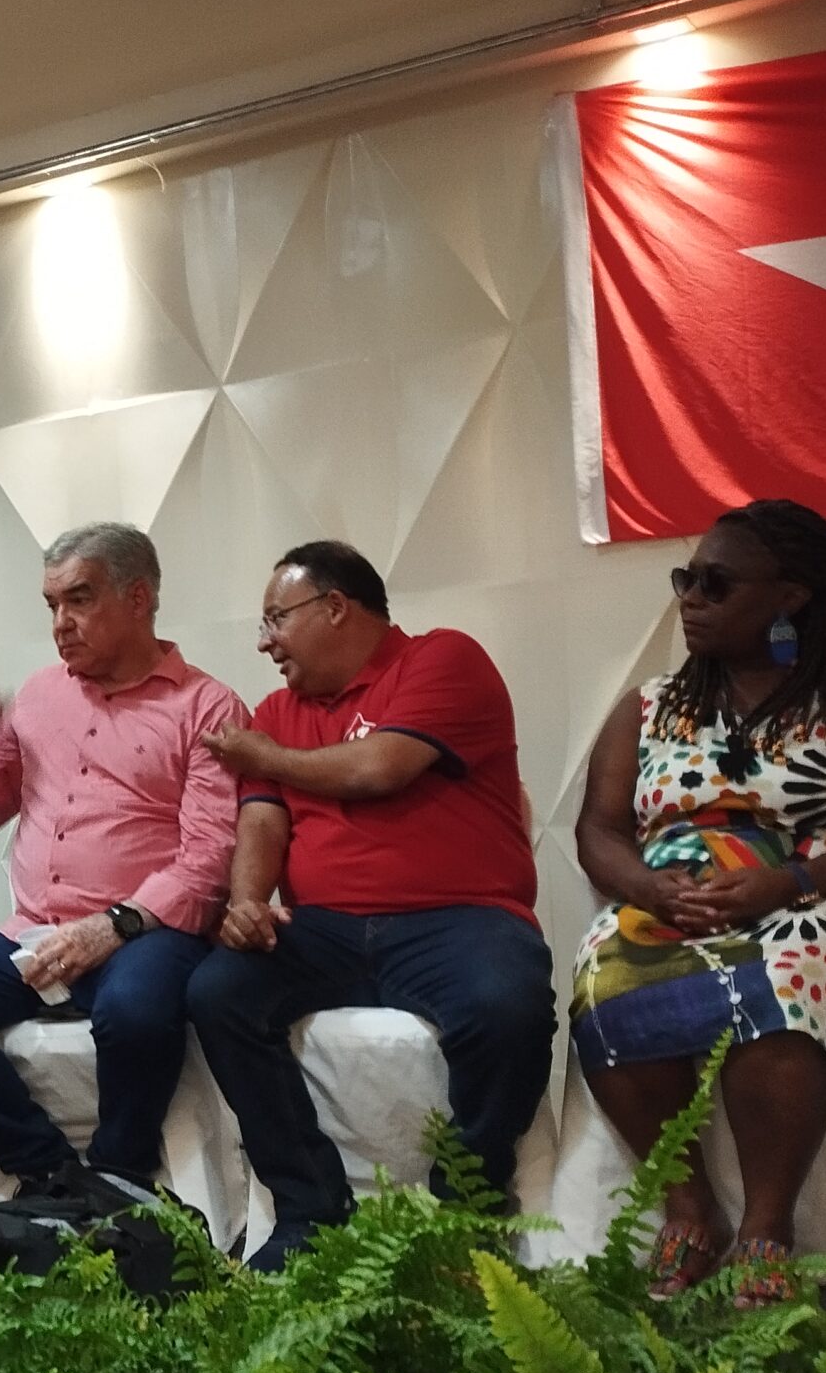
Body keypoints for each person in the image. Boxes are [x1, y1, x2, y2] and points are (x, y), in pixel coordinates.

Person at [570, 500, 826, 1305]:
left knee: (786, 975)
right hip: (676, 901)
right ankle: (689, 1210)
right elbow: (599, 829)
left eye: (716, 583)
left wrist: (789, 885)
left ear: (789, 597)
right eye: (686, 579)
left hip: (824, 896)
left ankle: (767, 1228)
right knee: (605, 980)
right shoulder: (650, 706)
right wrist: (648, 888)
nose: (691, 599)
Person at [190, 540, 554, 1270]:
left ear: (335, 606)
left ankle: (468, 1218)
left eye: (276, 619)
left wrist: (263, 755)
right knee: (218, 991)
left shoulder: (442, 658)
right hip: (324, 928)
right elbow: (262, 820)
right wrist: (249, 902)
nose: (264, 643)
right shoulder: (276, 711)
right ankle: (308, 1211)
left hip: (460, 917)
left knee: (508, 1008)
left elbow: (380, 766)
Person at [0, 524, 244, 1209]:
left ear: (138, 598)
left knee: (135, 1013)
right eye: (52, 604)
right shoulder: (39, 694)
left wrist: (113, 926)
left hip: (147, 930)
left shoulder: (208, 707)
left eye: (79, 600)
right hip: (37, 926)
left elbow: (210, 859)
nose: (60, 623)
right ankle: (51, 1174)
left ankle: (119, 1173)